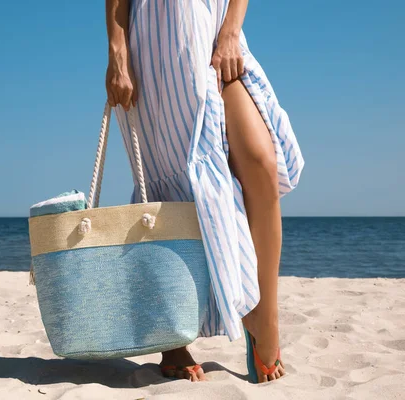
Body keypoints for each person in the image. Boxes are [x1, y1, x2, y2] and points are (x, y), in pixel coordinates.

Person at [105, 0, 304, 383]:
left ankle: (265, 317)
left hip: (216, 29)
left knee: (261, 162)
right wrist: (118, 51)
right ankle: (172, 337)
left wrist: (230, 30)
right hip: (158, 41)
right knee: (172, 185)